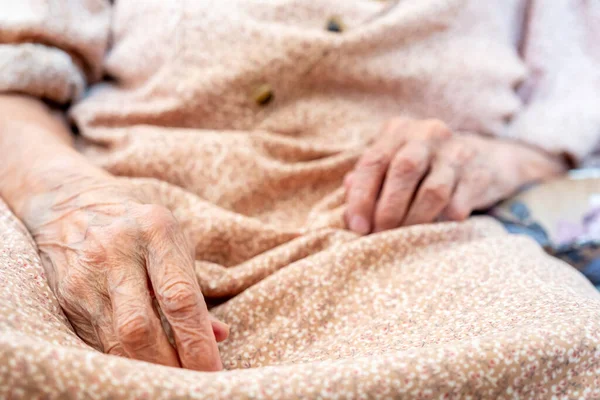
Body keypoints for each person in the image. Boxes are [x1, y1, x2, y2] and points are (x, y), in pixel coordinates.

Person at [0, 0, 599, 398]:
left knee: (571, 348)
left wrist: (485, 159)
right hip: (94, 204)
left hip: (388, 233)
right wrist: (70, 201)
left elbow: (564, 117)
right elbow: (13, 83)